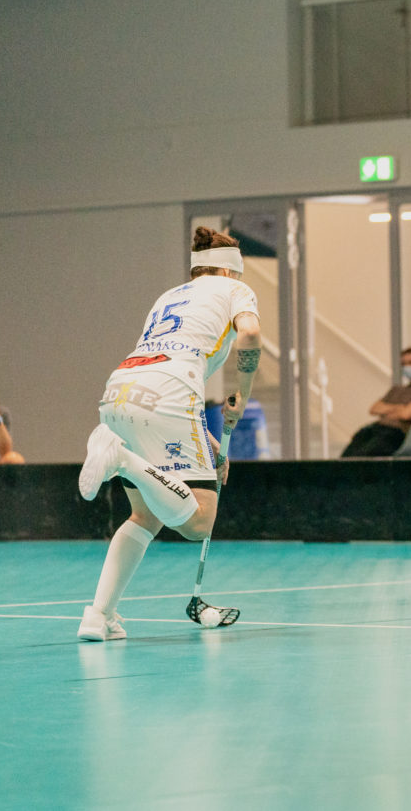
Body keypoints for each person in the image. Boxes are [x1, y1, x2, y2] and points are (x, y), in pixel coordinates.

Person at [76, 226, 262, 641]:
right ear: (233, 270)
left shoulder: (170, 296)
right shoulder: (236, 292)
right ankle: (121, 458)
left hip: (119, 391)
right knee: (199, 521)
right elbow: (249, 333)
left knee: (144, 515)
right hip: (170, 394)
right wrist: (242, 397)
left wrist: (210, 445)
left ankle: (98, 615)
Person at [340, 346, 411, 457]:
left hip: (395, 433)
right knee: (347, 456)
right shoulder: (396, 390)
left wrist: (387, 410)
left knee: (363, 457)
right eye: (404, 364)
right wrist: (399, 408)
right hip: (374, 429)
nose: (407, 367)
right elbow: (374, 409)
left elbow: (405, 414)